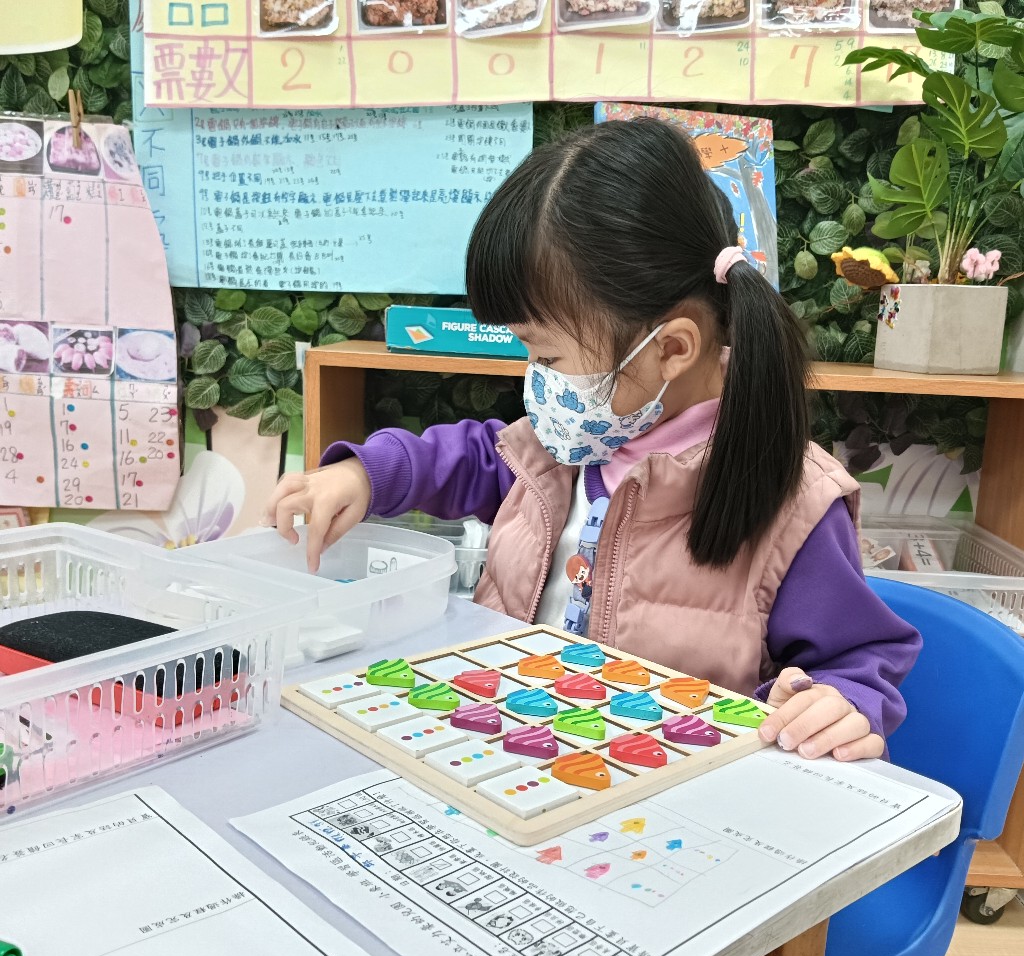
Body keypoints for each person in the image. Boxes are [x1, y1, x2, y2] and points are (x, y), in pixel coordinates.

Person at [267, 117, 920, 762]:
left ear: (671, 349)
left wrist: (843, 700)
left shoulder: (792, 502)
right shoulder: (569, 444)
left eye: (548, 356)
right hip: (515, 760)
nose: (536, 379)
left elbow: (858, 658)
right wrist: (366, 474)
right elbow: (472, 456)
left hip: (669, 792)